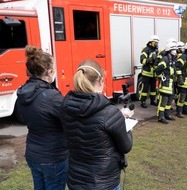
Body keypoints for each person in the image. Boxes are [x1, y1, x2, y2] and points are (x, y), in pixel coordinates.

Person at [59, 59, 133, 190]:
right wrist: (127, 125)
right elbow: (126, 146)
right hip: (105, 182)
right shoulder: (109, 112)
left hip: (76, 180)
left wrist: (119, 119)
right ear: (100, 81)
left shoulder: (65, 106)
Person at [17, 45, 68, 190]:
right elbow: (70, 119)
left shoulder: (22, 92)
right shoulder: (51, 97)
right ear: (50, 71)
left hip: (33, 153)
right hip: (53, 157)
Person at [155, 42, 178, 124]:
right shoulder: (165, 59)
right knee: (163, 101)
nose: (175, 51)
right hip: (165, 83)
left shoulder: (172, 59)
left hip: (171, 83)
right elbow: (158, 69)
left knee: (169, 100)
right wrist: (161, 76)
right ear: (169, 50)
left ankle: (167, 114)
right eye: (173, 50)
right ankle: (160, 117)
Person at [139, 35, 159, 108]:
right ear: (151, 42)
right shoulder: (145, 50)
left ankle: (152, 101)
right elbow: (142, 60)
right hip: (146, 73)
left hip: (153, 73)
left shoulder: (156, 51)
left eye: (157, 43)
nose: (156, 44)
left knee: (153, 88)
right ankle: (143, 101)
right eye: (155, 42)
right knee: (145, 88)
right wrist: (150, 59)